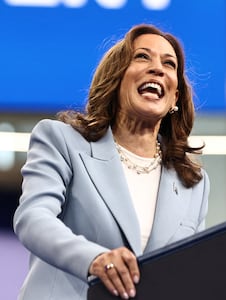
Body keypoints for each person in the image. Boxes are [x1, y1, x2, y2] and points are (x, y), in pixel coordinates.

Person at [13, 23, 210, 300]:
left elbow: (190, 269)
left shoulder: (193, 183)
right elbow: (33, 219)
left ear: (174, 97)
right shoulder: (62, 141)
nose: (158, 68)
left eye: (169, 64)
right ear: (116, 78)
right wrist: (94, 258)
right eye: (142, 57)